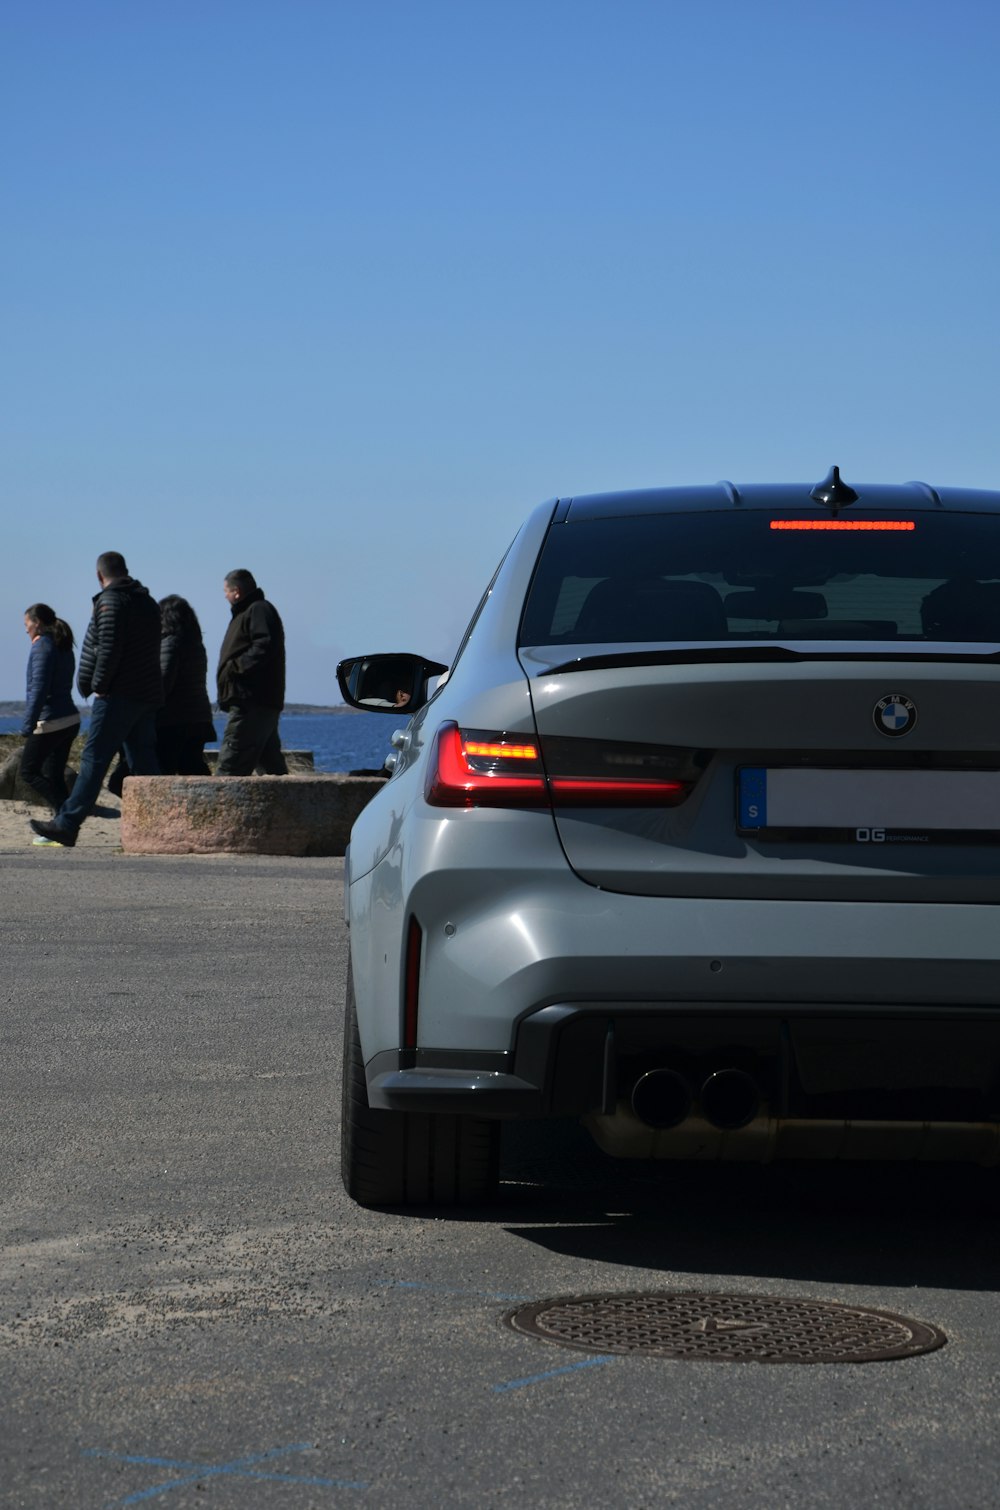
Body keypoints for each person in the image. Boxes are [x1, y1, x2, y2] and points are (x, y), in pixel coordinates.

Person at [29, 552, 163, 848]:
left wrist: (100, 685)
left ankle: (67, 824)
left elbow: (109, 647)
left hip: (117, 694)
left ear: (100, 576)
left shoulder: (111, 601)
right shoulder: (148, 603)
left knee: (94, 759)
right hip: (146, 694)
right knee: (143, 761)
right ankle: (163, 823)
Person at [215, 569, 288, 776]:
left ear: (236, 591)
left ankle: (221, 808)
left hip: (250, 701)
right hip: (257, 701)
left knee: (231, 765)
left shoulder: (258, 610)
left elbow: (264, 645)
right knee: (271, 768)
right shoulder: (248, 612)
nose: (225, 596)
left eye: (226, 591)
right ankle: (285, 806)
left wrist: (235, 668)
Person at [19, 604, 81, 814]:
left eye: (26, 624)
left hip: (51, 721)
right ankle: (63, 824)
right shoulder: (62, 646)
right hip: (70, 719)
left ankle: (65, 816)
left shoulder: (42, 647)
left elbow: (38, 689)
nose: (26, 629)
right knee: (53, 775)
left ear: (37, 623)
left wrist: (28, 725)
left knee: (28, 772)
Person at [156, 595, 216, 774]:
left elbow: (165, 681)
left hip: (174, 718)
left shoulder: (170, 644)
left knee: (165, 769)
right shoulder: (196, 644)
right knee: (192, 766)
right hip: (198, 716)